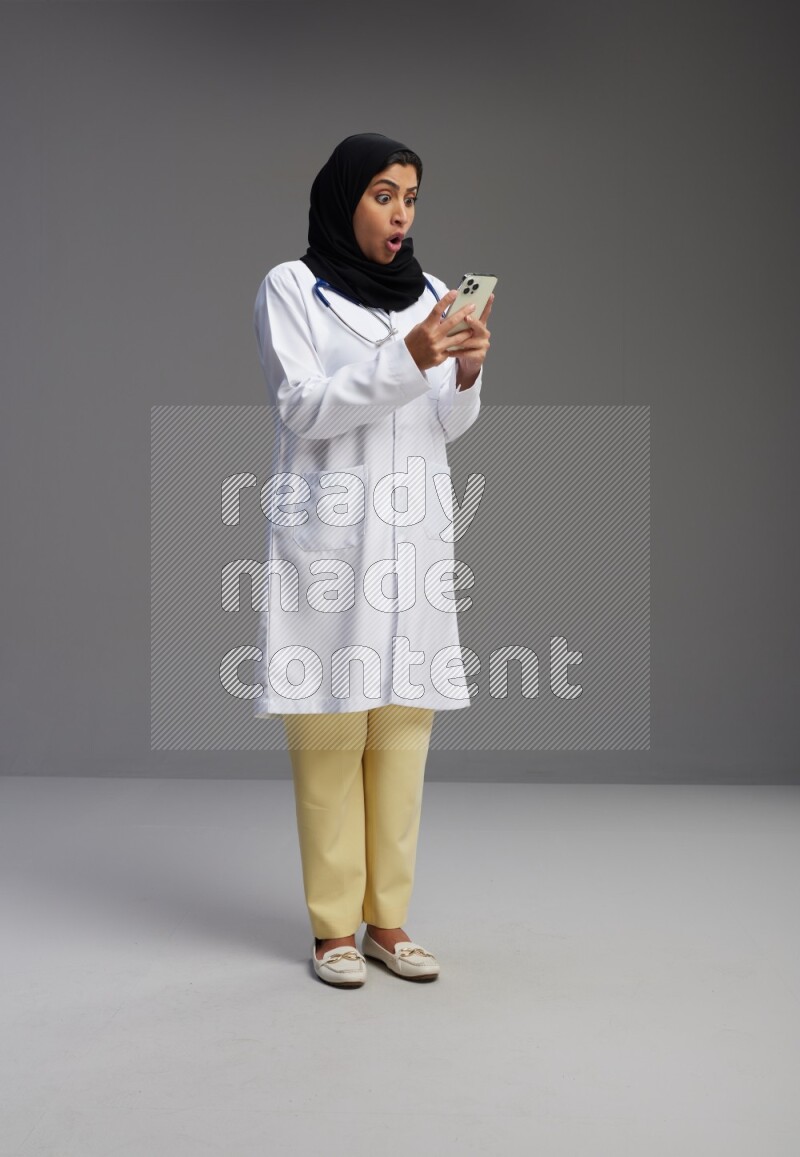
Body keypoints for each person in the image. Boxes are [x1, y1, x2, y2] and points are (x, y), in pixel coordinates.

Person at [252, 133, 493, 987]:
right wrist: (410, 358)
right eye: (385, 194)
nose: (402, 213)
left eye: (413, 198)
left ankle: (388, 920)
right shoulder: (293, 287)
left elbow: (444, 428)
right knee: (327, 737)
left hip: (413, 546)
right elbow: (304, 406)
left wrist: (463, 374)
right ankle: (332, 929)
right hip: (332, 546)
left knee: (400, 740)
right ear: (346, 197)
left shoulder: (431, 294)